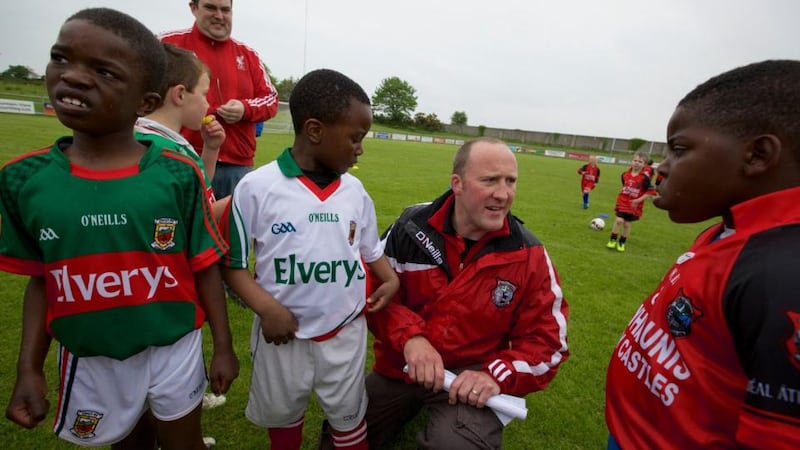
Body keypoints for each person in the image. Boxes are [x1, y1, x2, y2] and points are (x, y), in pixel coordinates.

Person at [0, 8, 238, 449]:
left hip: (175, 346)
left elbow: (204, 263)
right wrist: (29, 368)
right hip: (92, 354)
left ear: (146, 102)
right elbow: (40, 278)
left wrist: (222, 345)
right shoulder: (22, 179)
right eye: (61, 58)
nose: (74, 77)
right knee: (125, 442)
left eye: (103, 71)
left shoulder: (178, 171)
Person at [605, 60, 800, 449]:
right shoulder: (724, 231)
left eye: (679, 149)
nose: (662, 166)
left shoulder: (784, 273)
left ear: (757, 155)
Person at [218, 69, 399, 450]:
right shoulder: (256, 188)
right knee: (284, 420)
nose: (360, 149)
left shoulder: (355, 191)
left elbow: (368, 250)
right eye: (355, 137)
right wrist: (268, 308)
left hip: (345, 331)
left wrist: (391, 279)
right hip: (282, 336)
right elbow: (232, 265)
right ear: (315, 130)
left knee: (350, 420)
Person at [364, 137, 570, 449]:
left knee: (455, 445)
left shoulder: (529, 254)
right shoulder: (409, 227)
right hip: (403, 366)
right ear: (457, 184)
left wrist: (494, 376)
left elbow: (549, 342)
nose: (502, 194)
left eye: (510, 181)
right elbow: (373, 291)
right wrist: (411, 339)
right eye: (489, 180)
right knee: (346, 432)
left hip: (470, 377)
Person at [160, 0, 279, 199]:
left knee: (233, 229)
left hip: (237, 168)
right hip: (179, 160)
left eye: (225, 10)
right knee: (179, 228)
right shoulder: (167, 45)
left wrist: (245, 108)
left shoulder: (248, 55)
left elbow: (271, 98)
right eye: (210, 8)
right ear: (193, 8)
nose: (219, 15)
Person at [135, 42, 229, 220]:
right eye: (204, 94)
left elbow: (195, 187)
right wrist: (240, 199)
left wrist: (211, 149)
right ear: (180, 95)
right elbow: (195, 218)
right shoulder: (160, 152)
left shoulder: (154, 139)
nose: (208, 104)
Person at [605, 151, 655, 252]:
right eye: (635, 160)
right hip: (623, 201)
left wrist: (638, 200)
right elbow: (624, 185)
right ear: (631, 162)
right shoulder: (625, 175)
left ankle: (621, 242)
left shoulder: (645, 178)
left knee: (627, 224)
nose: (637, 163)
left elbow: (651, 191)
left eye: (640, 162)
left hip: (634, 205)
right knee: (619, 220)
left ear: (644, 165)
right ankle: (612, 240)